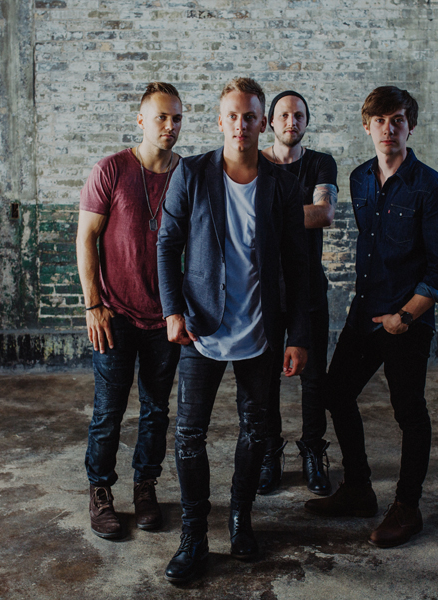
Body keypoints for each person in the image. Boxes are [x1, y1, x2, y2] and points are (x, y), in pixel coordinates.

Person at [157, 77, 310, 583]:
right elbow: (167, 243)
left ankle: (241, 518)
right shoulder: (192, 173)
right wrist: (172, 310)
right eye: (232, 117)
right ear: (219, 121)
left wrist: (299, 335)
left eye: (250, 117)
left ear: (262, 122)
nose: (241, 125)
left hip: (260, 332)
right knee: (189, 433)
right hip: (201, 326)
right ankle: (194, 535)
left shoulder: (281, 183)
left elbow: (297, 263)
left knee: (256, 430)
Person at [304, 86, 438, 549]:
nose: (388, 129)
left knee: (409, 411)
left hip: (407, 321)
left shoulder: (431, 187)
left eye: (398, 120)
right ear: (367, 126)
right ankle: (358, 488)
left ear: (411, 126)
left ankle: (407, 507)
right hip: (365, 314)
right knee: (335, 392)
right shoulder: (359, 179)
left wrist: (404, 318)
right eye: (380, 121)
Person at [76, 82, 183, 541]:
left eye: (177, 118)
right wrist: (93, 304)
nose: (170, 126)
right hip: (115, 312)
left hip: (166, 317)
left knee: (157, 410)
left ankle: (145, 487)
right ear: (141, 119)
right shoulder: (112, 169)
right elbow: (86, 239)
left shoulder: (188, 174)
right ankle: (100, 492)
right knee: (109, 411)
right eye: (161, 117)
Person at [257, 91, 338, 496]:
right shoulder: (255, 165)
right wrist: (295, 212)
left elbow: (324, 213)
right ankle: (271, 452)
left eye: (299, 115)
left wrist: (271, 215)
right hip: (265, 288)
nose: (292, 121)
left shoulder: (321, 163)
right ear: (271, 121)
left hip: (308, 285)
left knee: (314, 376)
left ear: (307, 121)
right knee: (265, 374)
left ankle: (312, 451)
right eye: (284, 115)